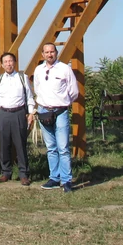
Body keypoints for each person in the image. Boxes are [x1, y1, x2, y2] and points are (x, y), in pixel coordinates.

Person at [33, 42, 80, 192]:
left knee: (63, 147)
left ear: (56, 52)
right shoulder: (39, 70)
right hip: (44, 111)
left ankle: (66, 181)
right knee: (51, 147)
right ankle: (54, 177)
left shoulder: (65, 69)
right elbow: (37, 89)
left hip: (60, 112)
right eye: (46, 52)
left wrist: (62, 103)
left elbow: (74, 91)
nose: (49, 54)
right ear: (42, 54)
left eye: (52, 52)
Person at [0, 52, 33, 186]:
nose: (8, 64)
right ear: (2, 64)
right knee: (4, 144)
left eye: (10, 61)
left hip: (19, 113)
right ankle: (5, 172)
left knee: (20, 144)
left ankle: (23, 174)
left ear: (15, 62)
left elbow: (29, 97)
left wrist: (30, 113)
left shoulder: (22, 77)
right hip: (3, 114)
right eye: (5, 62)